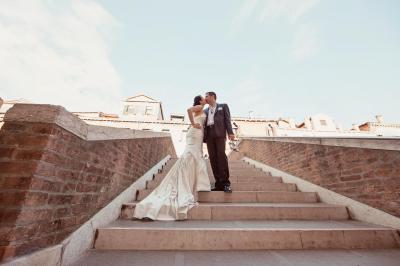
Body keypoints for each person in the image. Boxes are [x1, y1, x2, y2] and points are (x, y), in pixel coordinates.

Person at [133, 95, 211, 220]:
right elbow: (188, 110)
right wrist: (193, 124)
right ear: (200, 101)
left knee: (193, 155)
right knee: (191, 155)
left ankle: (191, 178)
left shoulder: (204, 109)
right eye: (203, 98)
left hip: (198, 135)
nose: (204, 99)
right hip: (195, 132)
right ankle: (186, 180)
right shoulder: (199, 107)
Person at [203, 91, 235, 193]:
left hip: (220, 134)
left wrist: (230, 132)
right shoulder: (205, 110)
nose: (205, 98)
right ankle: (218, 183)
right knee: (212, 158)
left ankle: (225, 183)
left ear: (212, 96)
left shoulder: (223, 106)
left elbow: (227, 120)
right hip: (209, 136)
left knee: (221, 157)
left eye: (207, 96)